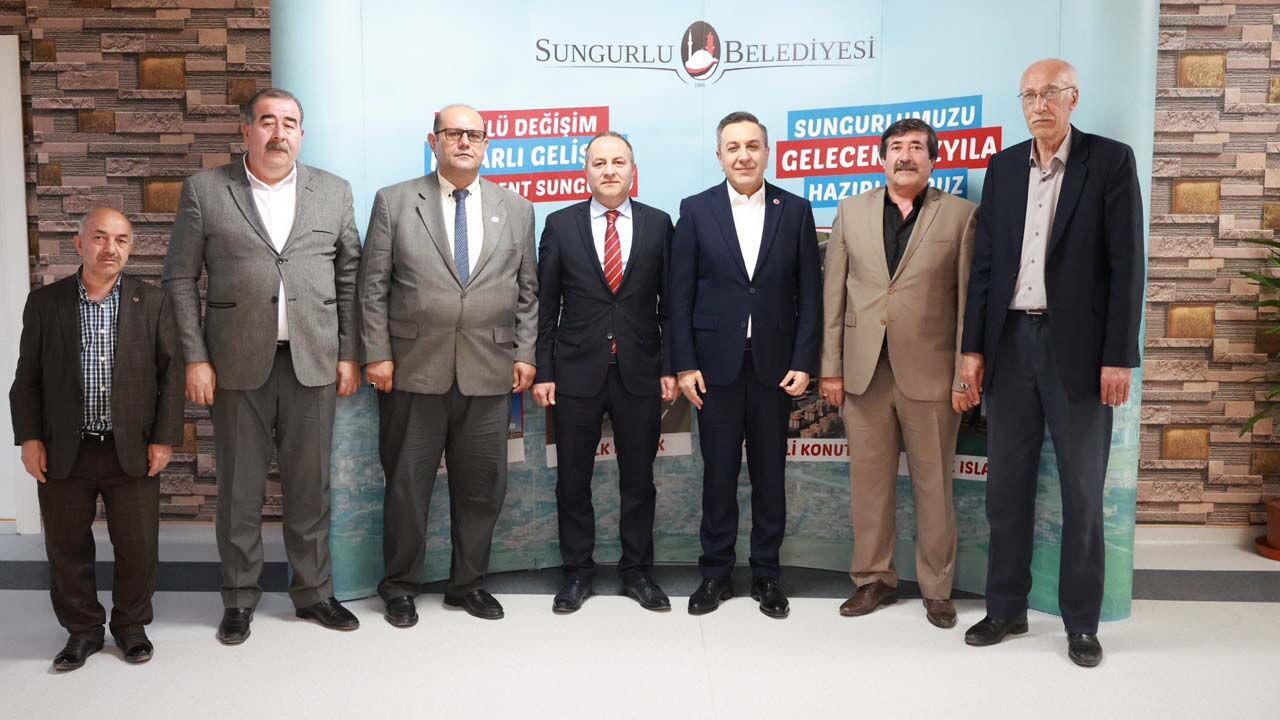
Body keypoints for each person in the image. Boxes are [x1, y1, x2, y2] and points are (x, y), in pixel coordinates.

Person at [960, 58, 1144, 667]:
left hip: (1082, 356)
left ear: (1073, 98)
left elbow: (1127, 266)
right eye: (1029, 95)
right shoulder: (1004, 167)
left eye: (1051, 93)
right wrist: (972, 348)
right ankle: (1006, 608)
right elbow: (985, 268)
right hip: (1010, 344)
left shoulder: (1110, 162)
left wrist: (1118, 356)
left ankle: (1081, 624)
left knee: (1083, 493)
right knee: (1005, 490)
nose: (1040, 104)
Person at [163, 87, 364, 644]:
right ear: (246, 130)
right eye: (269, 122)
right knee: (239, 492)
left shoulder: (334, 192)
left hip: (313, 363)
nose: (280, 133)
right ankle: (238, 598)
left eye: (290, 123)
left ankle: (314, 593)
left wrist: (350, 352)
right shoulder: (206, 190)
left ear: (302, 133)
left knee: (311, 489)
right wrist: (196, 357)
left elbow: (350, 278)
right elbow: (179, 277)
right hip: (234, 367)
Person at [359, 103, 538, 626]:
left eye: (474, 135)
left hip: (489, 370)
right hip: (412, 370)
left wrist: (525, 353)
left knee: (482, 487)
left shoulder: (517, 208)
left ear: (486, 145)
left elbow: (528, 292)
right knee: (407, 486)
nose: (464, 142)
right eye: (453, 133)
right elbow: (372, 288)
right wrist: (377, 353)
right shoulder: (395, 202)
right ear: (433, 141)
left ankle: (468, 585)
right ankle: (399, 587)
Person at [820, 119, 978, 629]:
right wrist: (831, 369)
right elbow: (834, 296)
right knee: (869, 485)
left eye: (915, 148)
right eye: (895, 148)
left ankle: (937, 589)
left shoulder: (960, 216)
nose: (905, 156)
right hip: (863, 374)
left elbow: (967, 306)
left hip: (932, 374)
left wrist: (963, 374)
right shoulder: (851, 211)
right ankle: (873, 579)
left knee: (935, 487)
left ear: (933, 159)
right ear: (881, 158)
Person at [10, 207, 183, 670]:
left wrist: (164, 439)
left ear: (131, 248)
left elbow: (172, 375)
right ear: (79, 244)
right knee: (67, 546)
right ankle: (83, 630)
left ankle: (131, 625)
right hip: (65, 449)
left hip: (133, 448)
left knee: (138, 546)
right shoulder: (46, 303)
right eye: (100, 237)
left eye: (122, 240)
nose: (111, 248)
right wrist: (30, 439)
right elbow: (27, 379)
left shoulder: (153, 301)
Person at [668, 111, 821, 619]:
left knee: (770, 476)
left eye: (752, 146)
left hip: (775, 369)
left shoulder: (794, 210)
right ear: (719, 156)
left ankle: (766, 575)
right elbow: (679, 296)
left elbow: (810, 295)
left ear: (767, 152)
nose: (743, 156)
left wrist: (803, 360)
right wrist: (685, 364)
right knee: (718, 476)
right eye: (733, 147)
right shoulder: (695, 210)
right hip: (714, 371)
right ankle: (715, 574)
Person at [532, 131, 678, 614]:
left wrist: (671, 366)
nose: (609, 170)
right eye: (599, 162)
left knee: (639, 481)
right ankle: (577, 573)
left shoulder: (659, 224)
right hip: (575, 373)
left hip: (641, 372)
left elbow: (671, 306)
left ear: (633, 170)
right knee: (572, 480)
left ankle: (637, 572)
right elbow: (546, 306)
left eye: (618, 162)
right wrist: (544, 370)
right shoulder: (560, 225)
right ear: (586, 172)